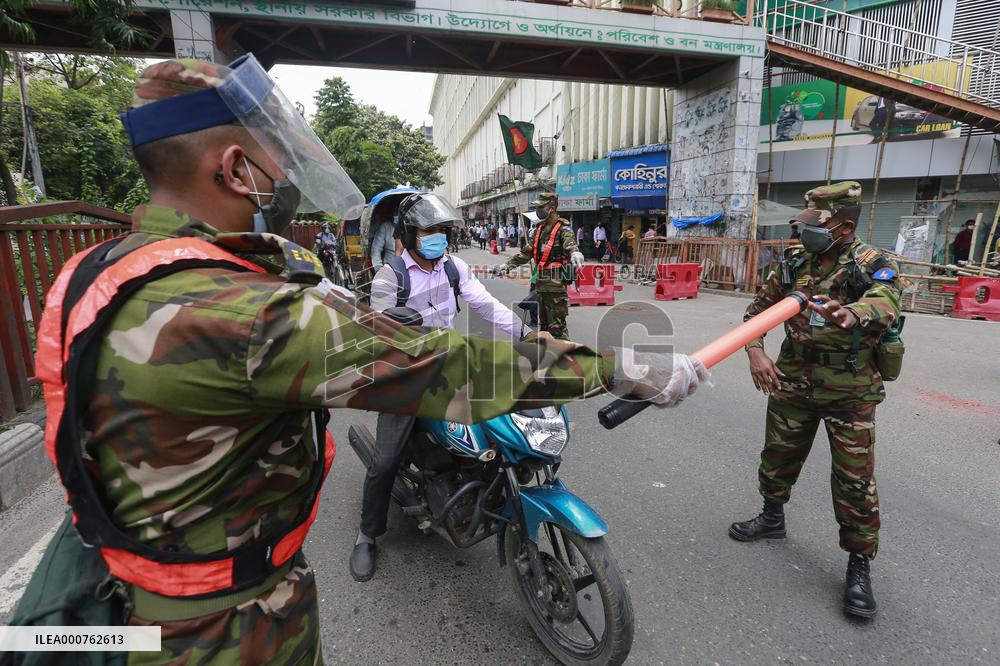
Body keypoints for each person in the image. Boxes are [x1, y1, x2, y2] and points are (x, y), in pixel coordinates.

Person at [18, 56, 710, 664]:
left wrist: (539, 335)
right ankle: (371, 531)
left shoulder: (101, 267)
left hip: (129, 574)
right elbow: (432, 361)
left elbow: (487, 314)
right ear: (233, 168)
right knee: (384, 459)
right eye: (273, 160)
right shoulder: (245, 310)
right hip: (218, 631)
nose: (284, 177)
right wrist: (622, 369)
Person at [730, 181, 902, 620]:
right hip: (792, 379)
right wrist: (755, 351)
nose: (803, 232)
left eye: (814, 225)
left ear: (843, 227)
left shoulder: (873, 263)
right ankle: (772, 516)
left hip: (850, 387)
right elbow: (757, 312)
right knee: (778, 453)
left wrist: (854, 313)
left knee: (854, 479)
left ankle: (858, 564)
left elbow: (886, 303)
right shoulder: (793, 261)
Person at [352, 193, 527, 581]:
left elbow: (486, 305)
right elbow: (377, 330)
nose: (438, 239)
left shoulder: (454, 268)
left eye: (442, 231)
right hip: (405, 372)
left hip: (447, 363)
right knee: (385, 462)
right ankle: (367, 534)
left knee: (497, 424)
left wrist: (528, 333)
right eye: (429, 231)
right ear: (409, 234)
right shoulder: (390, 275)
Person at [497, 193, 583, 340]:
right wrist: (507, 265)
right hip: (541, 285)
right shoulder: (538, 230)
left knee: (557, 328)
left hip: (555, 287)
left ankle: (564, 358)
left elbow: (569, 244)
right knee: (544, 328)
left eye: (540, 207)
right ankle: (548, 357)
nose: (538, 210)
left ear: (552, 208)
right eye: (536, 207)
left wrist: (575, 253)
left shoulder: (563, 229)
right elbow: (526, 253)